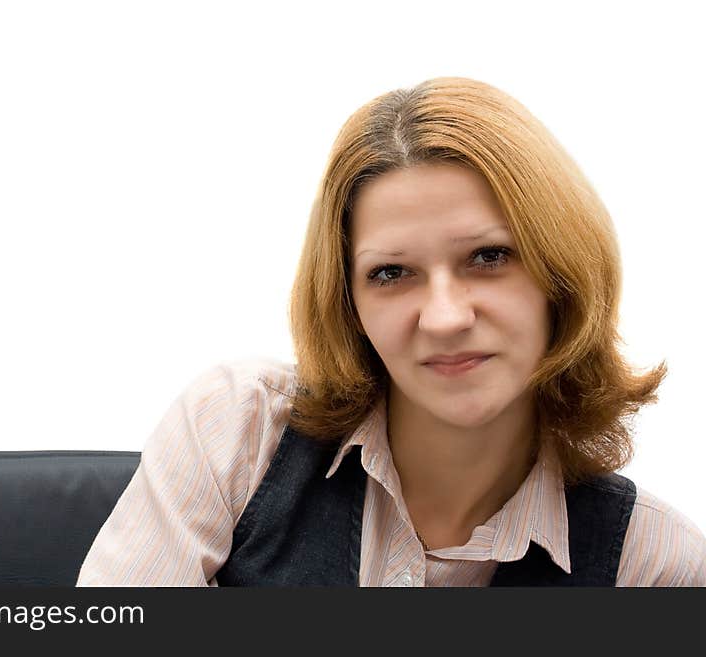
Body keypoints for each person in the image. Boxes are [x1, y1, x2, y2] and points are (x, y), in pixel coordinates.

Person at [76, 77, 706, 586]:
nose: (445, 317)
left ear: (561, 273)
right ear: (348, 303)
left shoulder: (651, 565)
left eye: (488, 258)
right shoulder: (239, 429)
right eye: (391, 272)